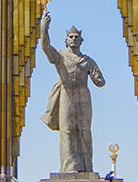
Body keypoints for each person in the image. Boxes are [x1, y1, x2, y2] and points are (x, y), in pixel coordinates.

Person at [39, 11, 105, 173]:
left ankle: (86, 166)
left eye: (76, 37)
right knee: (67, 130)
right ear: (66, 41)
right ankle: (70, 167)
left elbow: (100, 82)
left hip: (83, 95)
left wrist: (96, 76)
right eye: (71, 37)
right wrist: (44, 30)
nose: (74, 39)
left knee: (84, 130)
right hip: (66, 94)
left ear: (81, 41)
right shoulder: (60, 57)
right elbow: (46, 49)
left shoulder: (88, 61)